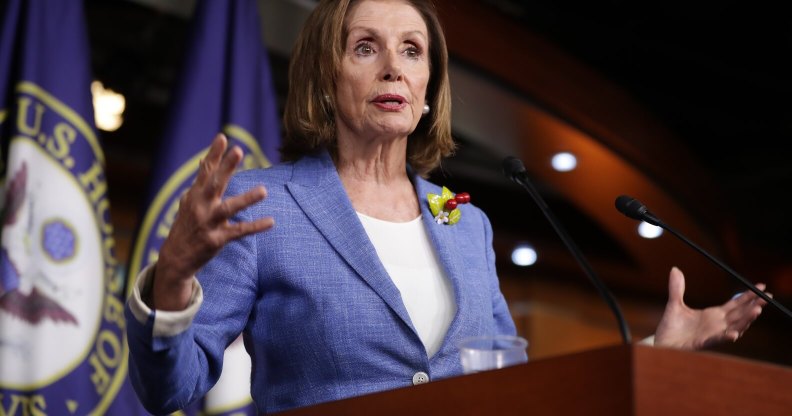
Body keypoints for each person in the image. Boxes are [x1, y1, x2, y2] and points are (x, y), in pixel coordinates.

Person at [124, 0, 769, 414]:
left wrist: (654, 349)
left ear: (429, 87)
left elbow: (514, 384)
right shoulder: (265, 207)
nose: (393, 68)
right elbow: (169, 389)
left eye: (412, 50)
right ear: (326, 77)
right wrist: (172, 283)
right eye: (365, 47)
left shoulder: (465, 222)